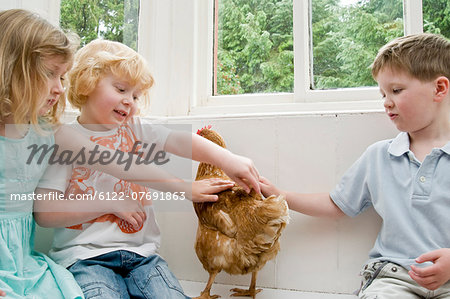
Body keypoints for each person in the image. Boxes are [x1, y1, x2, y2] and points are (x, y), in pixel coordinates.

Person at [33, 39, 260, 299]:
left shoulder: (136, 129)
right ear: (87, 82)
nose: (130, 101)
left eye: (136, 95)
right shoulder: (65, 141)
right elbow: (45, 213)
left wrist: (226, 159)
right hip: (85, 258)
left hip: (143, 257)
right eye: (121, 89)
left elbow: (178, 140)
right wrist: (109, 202)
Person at [260, 33, 450, 298]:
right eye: (383, 93)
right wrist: (279, 195)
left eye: (396, 90)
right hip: (393, 278)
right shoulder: (379, 156)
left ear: (439, 89)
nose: (386, 101)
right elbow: (337, 203)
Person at [0, 8, 83, 298]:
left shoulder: (45, 131)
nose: (60, 89)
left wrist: (181, 185)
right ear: (11, 68)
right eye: (50, 74)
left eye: (63, 77)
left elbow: (111, 158)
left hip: (22, 264)